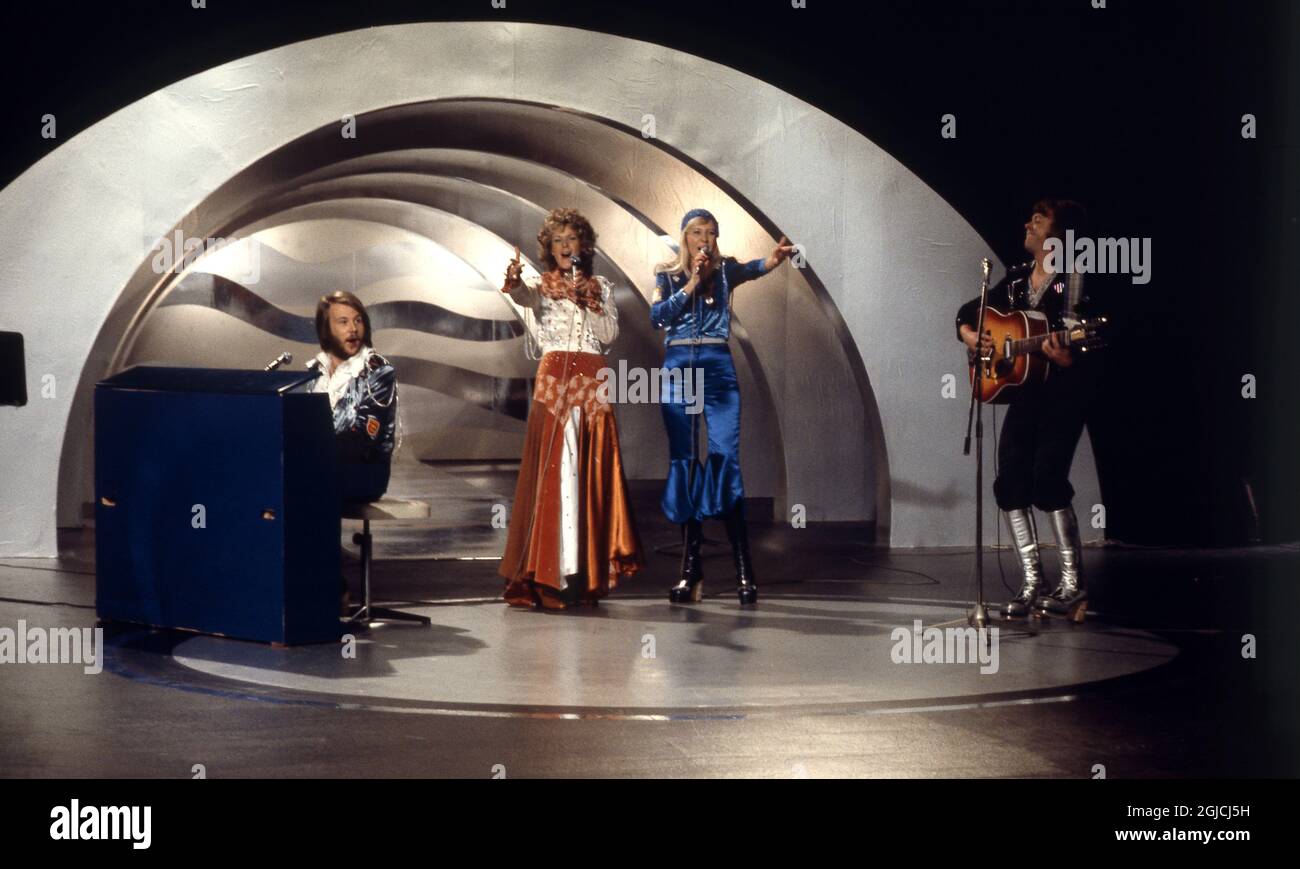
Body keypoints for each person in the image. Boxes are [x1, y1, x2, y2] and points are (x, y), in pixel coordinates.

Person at [955, 199, 1097, 621]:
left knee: (1047, 477)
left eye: (1038, 221)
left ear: (1058, 234)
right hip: (1025, 393)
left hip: (1063, 396)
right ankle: (1032, 581)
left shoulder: (1076, 278)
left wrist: (1072, 357)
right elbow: (969, 313)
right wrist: (970, 335)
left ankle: (1073, 584)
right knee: (1011, 479)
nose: (1027, 225)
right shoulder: (1017, 281)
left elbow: (1095, 337)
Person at [497, 208, 644, 609]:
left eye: (571, 239)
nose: (565, 246)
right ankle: (548, 575)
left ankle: (583, 574)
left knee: (588, 469)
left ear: (584, 246)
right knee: (556, 471)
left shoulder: (600, 286)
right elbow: (522, 295)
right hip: (555, 379)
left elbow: (609, 335)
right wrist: (513, 283)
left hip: (591, 378)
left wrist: (591, 302)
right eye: (558, 240)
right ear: (549, 248)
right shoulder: (541, 286)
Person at [650, 209, 795, 605]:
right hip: (679, 366)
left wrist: (774, 259)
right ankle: (690, 570)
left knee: (724, 461)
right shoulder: (666, 274)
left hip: (716, 365)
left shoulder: (726, 270)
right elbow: (657, 317)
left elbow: (754, 267)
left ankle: (744, 566)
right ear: (685, 237)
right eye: (697, 232)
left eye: (711, 233)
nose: (705, 239)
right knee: (685, 463)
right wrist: (692, 283)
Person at [309, 290, 398, 503]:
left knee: (293, 487)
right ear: (326, 329)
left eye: (358, 320)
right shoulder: (315, 370)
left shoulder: (377, 370)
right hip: (320, 467)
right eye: (343, 322)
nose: (353, 329)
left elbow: (361, 440)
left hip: (363, 474)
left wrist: (307, 451)